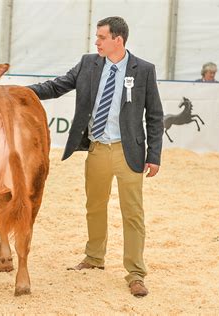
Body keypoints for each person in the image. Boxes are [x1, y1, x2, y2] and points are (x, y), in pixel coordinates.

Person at [27, 16, 163, 297]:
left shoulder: (144, 70)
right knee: (95, 206)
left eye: (101, 37)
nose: (96, 42)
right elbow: (57, 86)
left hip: (130, 153)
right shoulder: (88, 63)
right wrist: (20, 92)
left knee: (133, 214)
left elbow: (155, 115)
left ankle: (136, 273)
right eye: (96, 37)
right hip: (98, 149)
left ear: (118, 40)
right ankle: (94, 257)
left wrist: (155, 155)